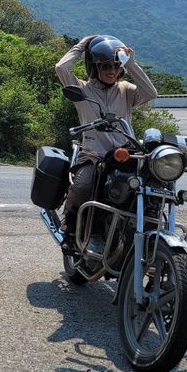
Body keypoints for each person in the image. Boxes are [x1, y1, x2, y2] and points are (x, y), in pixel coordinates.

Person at [55, 35, 158, 252]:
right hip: (94, 154)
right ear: (94, 67)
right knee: (83, 184)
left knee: (152, 186)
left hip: (124, 156)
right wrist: (82, 46)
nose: (112, 71)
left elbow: (151, 93)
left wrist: (130, 62)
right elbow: (61, 68)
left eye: (115, 66)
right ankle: (70, 226)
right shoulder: (82, 90)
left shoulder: (127, 90)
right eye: (105, 66)